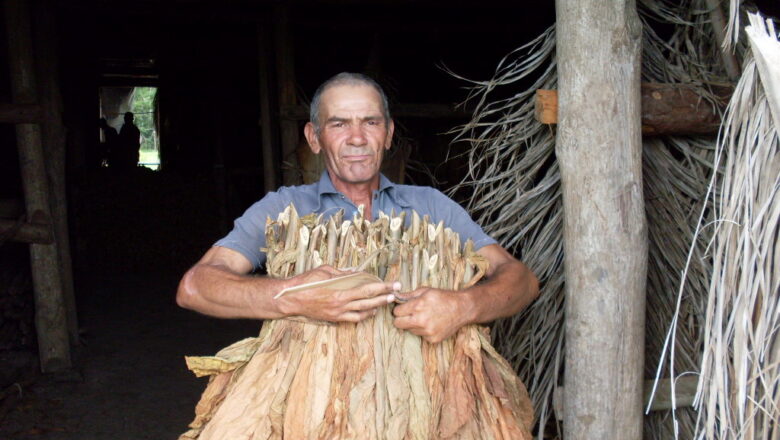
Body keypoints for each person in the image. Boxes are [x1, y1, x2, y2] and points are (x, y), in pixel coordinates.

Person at [176, 72, 539, 343]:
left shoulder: (430, 206)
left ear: (389, 133)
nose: (356, 138)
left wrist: (465, 306)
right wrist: (292, 296)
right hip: (313, 393)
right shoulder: (282, 209)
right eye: (338, 123)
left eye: (370, 122)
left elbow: (521, 280)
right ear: (314, 138)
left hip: (424, 396)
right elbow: (195, 287)